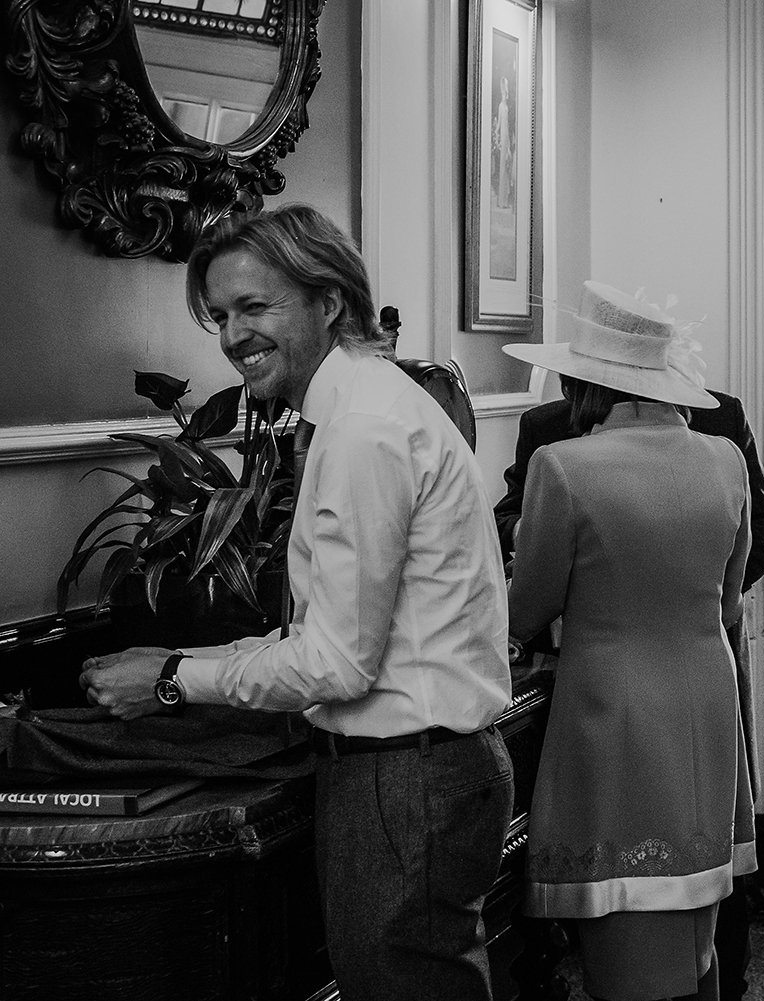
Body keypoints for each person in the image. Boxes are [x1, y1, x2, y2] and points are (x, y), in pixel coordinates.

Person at [79, 205, 515, 1001]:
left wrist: (174, 676)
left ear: (329, 302)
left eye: (255, 307)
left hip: (402, 780)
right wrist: (195, 662)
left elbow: (338, 663)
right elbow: (323, 632)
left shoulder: (363, 431)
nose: (232, 335)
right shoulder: (364, 410)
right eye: (221, 315)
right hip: (421, 773)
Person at [495, 336, 764, 1001]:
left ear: (584, 383)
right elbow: (731, 598)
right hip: (707, 695)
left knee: (629, 918)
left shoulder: (563, 465)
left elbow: (527, 606)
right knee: (692, 925)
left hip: (612, 704)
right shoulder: (724, 458)